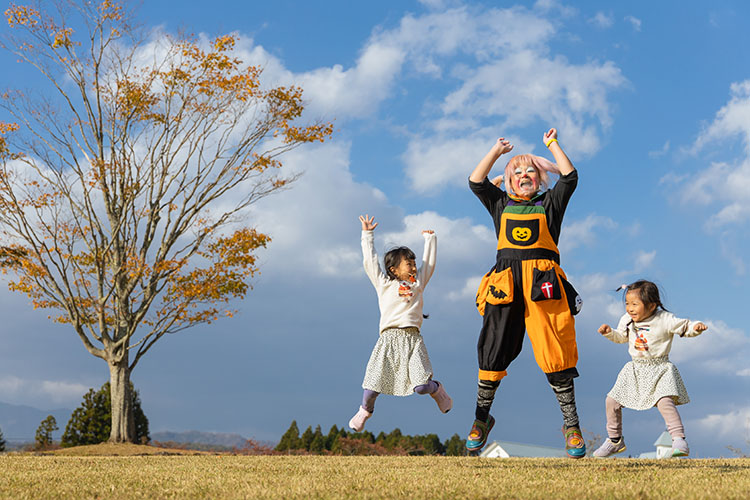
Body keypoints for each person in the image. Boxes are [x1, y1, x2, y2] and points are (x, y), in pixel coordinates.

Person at [467, 129, 586, 458]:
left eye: (531, 172)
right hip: (504, 288)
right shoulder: (500, 203)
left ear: (541, 179)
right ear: (506, 181)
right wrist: (496, 151)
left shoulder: (550, 204)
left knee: (556, 351)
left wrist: (552, 146)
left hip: (544, 286)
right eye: (516, 173)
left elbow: (570, 176)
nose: (524, 177)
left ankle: (572, 427)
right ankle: (480, 420)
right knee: (493, 348)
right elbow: (476, 182)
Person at [348, 214, 452, 431]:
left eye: (414, 263)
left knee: (421, 386)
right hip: (387, 339)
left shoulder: (417, 284)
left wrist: (430, 241)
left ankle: (438, 390)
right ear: (394, 269)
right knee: (372, 384)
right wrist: (367, 235)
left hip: (412, 340)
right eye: (409, 264)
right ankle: (365, 411)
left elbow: (429, 265)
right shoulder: (384, 284)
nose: (414, 268)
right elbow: (369, 262)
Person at [594, 280, 708, 458]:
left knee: (664, 402)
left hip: (660, 368)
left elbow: (684, 326)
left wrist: (696, 327)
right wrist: (609, 333)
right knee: (612, 401)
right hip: (635, 369)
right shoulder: (627, 320)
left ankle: (678, 440)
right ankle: (615, 440)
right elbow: (621, 337)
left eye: (635, 304)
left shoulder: (664, 319)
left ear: (652, 305)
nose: (630, 309)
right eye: (627, 304)